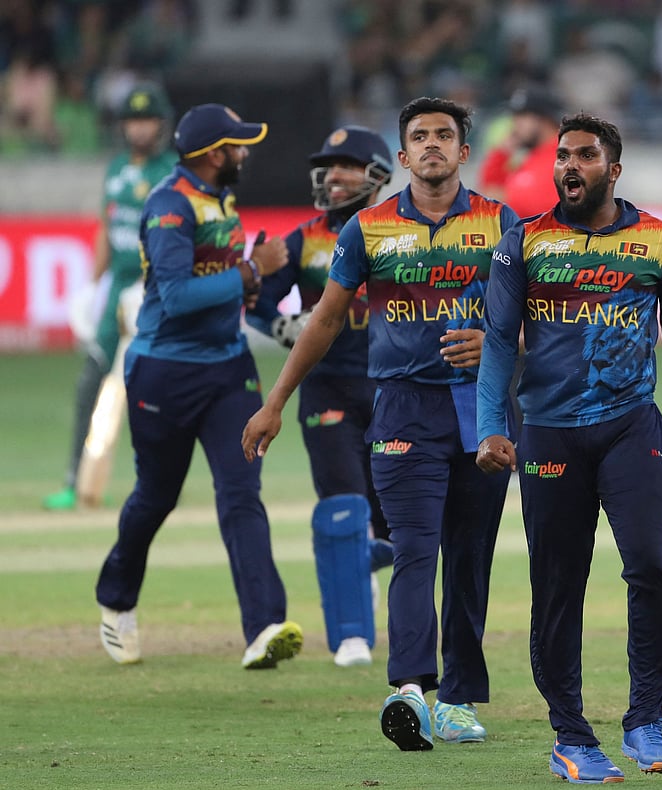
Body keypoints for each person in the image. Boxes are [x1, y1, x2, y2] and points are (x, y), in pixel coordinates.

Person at [241, 97, 518, 749]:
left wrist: (499, 343)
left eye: (443, 136)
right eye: (418, 136)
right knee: (415, 548)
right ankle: (411, 691)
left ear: (463, 152)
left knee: (469, 557)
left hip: (480, 408)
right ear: (401, 157)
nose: (431, 146)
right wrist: (277, 399)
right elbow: (328, 320)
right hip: (401, 407)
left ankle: (459, 697)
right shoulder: (367, 230)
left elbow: (532, 318)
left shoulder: (501, 223)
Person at [475, 112, 662, 784]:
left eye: (584, 155)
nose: (569, 167)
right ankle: (571, 734)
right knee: (557, 583)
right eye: (562, 157)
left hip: (632, 426)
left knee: (652, 569)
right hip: (548, 432)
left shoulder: (661, 242)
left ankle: (646, 717)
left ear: (614, 166)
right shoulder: (524, 243)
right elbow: (497, 340)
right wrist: (492, 426)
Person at [95, 103, 302, 669]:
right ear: (214, 155)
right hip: (163, 372)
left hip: (228, 370)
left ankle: (263, 627)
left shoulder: (221, 202)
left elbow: (220, 285)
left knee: (241, 492)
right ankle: (115, 600)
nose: (246, 153)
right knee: (155, 497)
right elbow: (180, 296)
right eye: (238, 145)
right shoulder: (169, 204)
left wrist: (250, 286)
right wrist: (249, 271)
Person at [244, 125, 396, 668]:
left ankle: (374, 577)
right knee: (341, 507)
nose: (334, 176)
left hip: (397, 389)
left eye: (347, 165)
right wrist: (288, 329)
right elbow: (258, 303)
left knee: (395, 521)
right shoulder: (303, 239)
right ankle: (352, 633)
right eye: (328, 166)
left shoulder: (403, 232)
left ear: (377, 174)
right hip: (328, 389)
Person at [44, 82, 177, 511]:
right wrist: (92, 286)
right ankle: (74, 481)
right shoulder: (117, 168)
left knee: (156, 393)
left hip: (155, 296)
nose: (139, 129)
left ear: (161, 124)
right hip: (117, 291)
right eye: (133, 121)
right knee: (90, 383)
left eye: (147, 120)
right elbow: (107, 226)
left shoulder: (172, 172)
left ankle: (158, 482)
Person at [477, 85, 563, 218]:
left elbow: (551, 208)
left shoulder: (565, 154)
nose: (515, 124)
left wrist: (505, 200)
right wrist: (501, 154)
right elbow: (489, 187)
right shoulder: (533, 156)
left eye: (522, 117)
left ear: (543, 119)